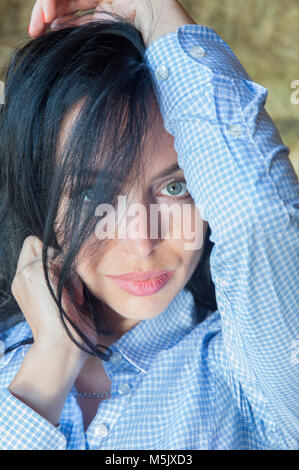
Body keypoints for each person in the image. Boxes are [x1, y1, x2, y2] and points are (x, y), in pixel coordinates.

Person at [0, 0, 298, 450]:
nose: (142, 242)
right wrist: (49, 365)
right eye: (92, 194)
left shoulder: (249, 373)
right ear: (39, 190)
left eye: (177, 187)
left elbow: (260, 220)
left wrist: (151, 8)